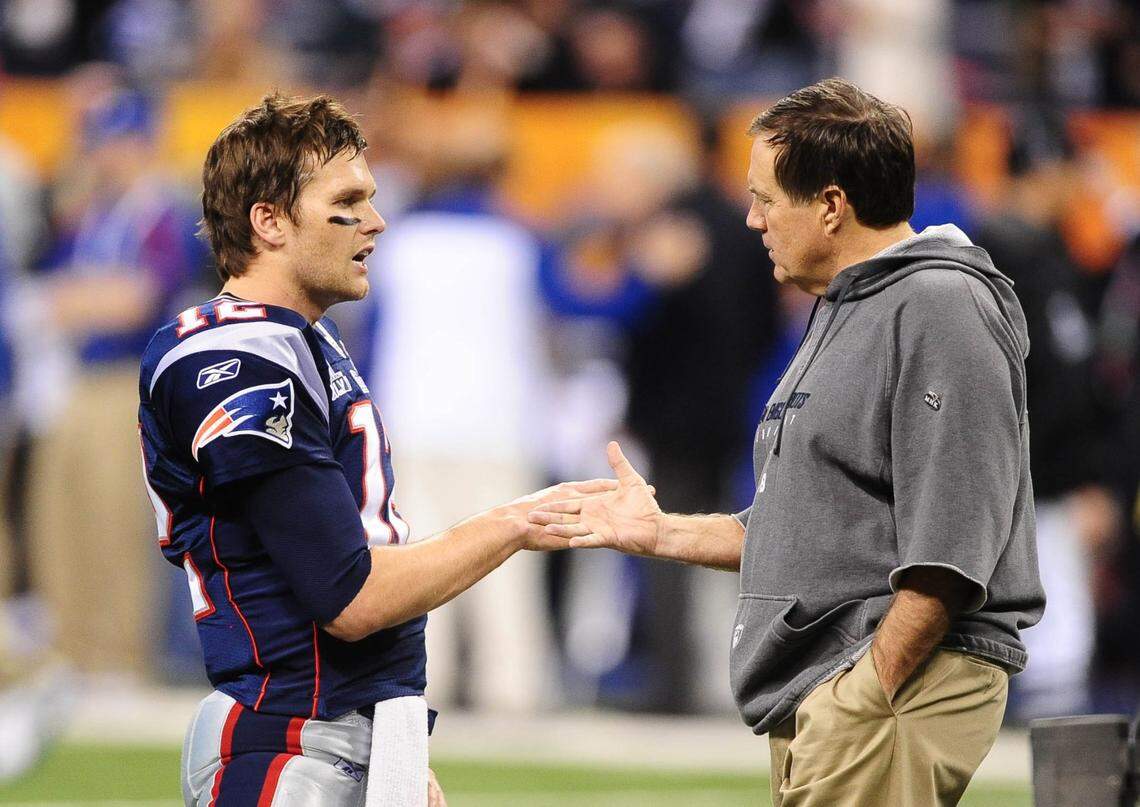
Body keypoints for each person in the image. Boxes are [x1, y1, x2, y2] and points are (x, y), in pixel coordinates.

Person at [529, 78, 1045, 806]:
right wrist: (663, 532)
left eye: (767, 198)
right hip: (836, 681)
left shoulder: (938, 304)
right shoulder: (853, 304)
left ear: (831, 206)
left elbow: (953, 546)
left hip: (891, 680)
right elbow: (816, 529)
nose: (751, 219)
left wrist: (868, 690)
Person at [138, 93, 612, 807]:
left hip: (336, 731)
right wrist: (516, 521)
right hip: (286, 743)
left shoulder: (307, 339)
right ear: (268, 220)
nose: (376, 220)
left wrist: (389, 741)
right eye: (348, 201)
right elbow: (348, 596)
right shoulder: (234, 357)